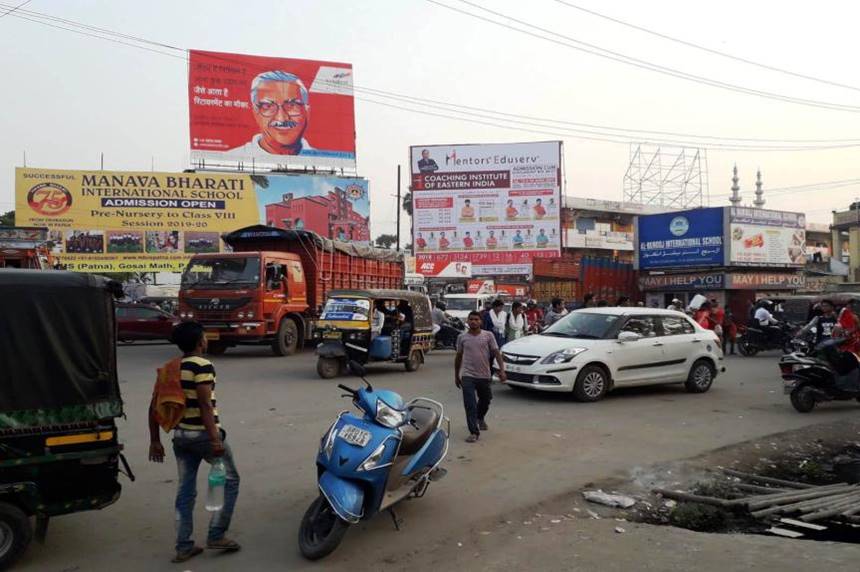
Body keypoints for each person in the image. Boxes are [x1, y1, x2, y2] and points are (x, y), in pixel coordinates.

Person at [148, 322, 241, 563]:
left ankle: (183, 546)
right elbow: (204, 404)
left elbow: (154, 406)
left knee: (185, 490)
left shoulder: (171, 368)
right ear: (200, 342)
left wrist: (155, 441)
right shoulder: (202, 366)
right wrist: (214, 439)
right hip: (204, 436)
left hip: (180, 437)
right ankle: (216, 535)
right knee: (230, 480)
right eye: (204, 337)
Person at [454, 311, 506, 443]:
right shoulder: (462, 337)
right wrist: (456, 375)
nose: (473, 321)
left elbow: (496, 353)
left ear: (481, 322)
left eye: (476, 319)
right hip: (468, 376)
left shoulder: (488, 335)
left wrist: (502, 370)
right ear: (467, 321)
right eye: (471, 319)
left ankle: (480, 417)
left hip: (484, 375)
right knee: (470, 404)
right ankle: (473, 432)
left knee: (486, 399)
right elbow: (459, 356)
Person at [237, 70, 313, 156]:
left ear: (307, 112)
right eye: (268, 106)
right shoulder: (234, 158)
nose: (281, 119)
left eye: (291, 105)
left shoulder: (324, 160)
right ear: (255, 113)